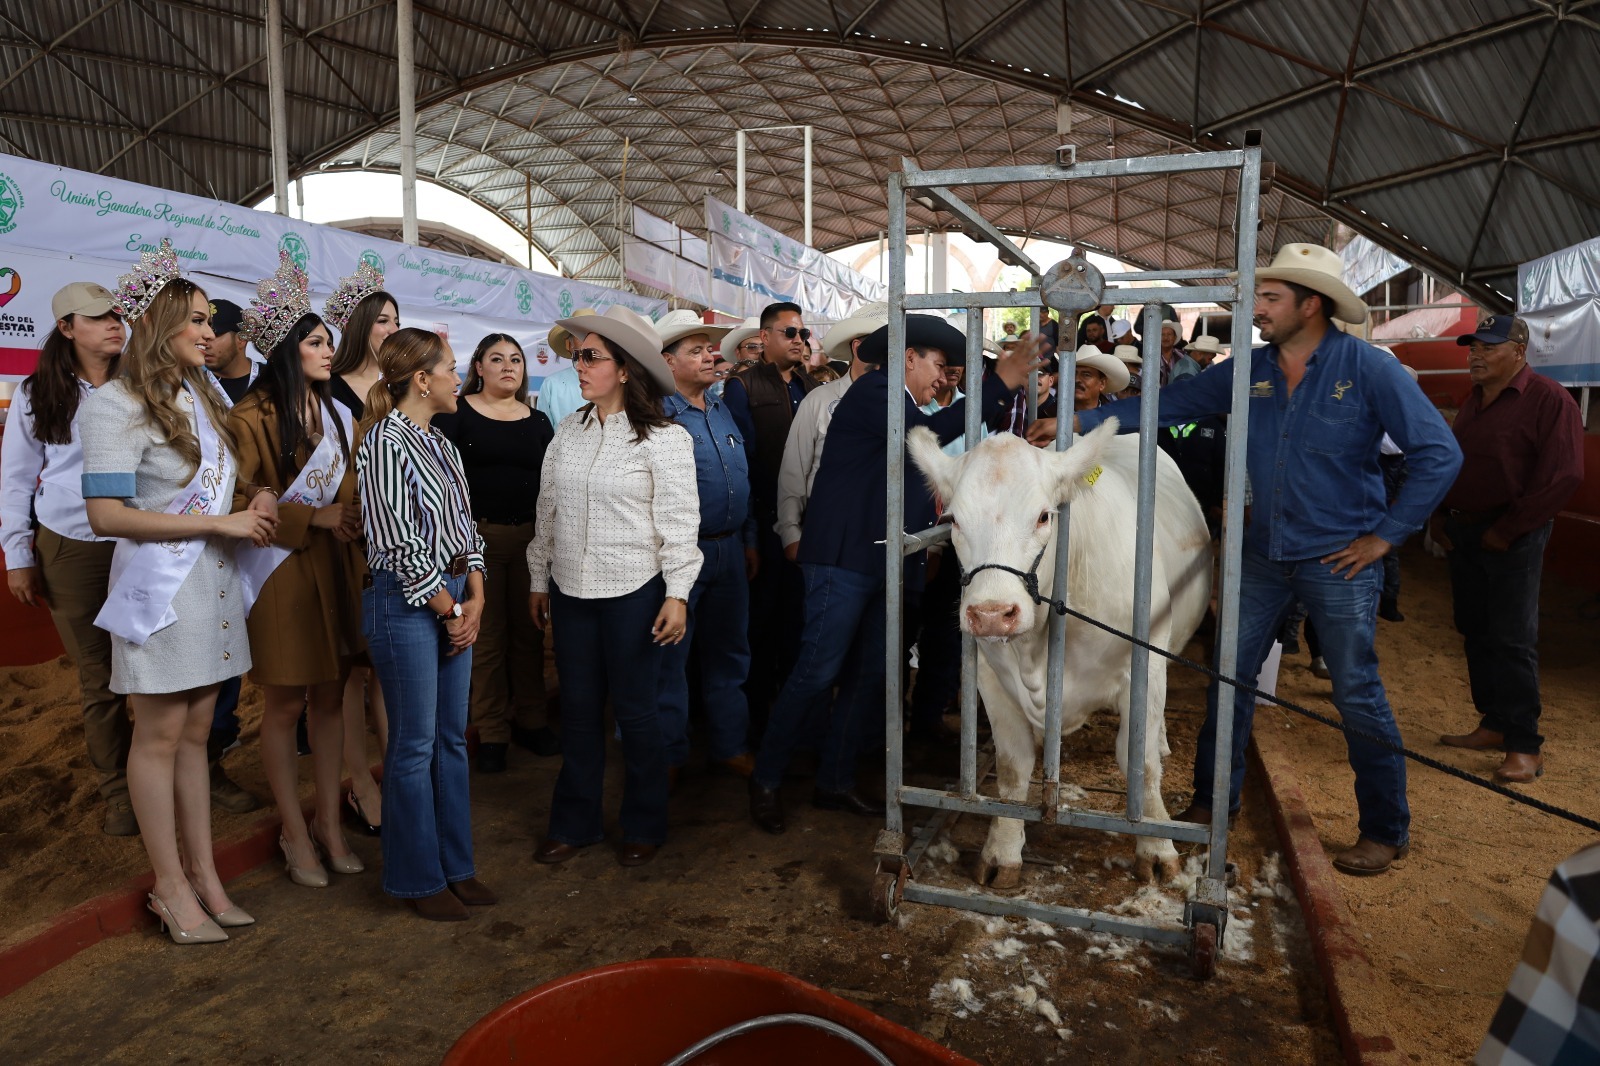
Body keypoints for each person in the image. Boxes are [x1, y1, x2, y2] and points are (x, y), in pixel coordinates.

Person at [1029, 242, 1463, 876]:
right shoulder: (1247, 370)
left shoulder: (1370, 370)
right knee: (1227, 679)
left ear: (1310, 305)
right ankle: (1211, 803)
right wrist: (1071, 423)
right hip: (1262, 553)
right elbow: (1166, 406)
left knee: (1357, 692)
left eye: (1269, 298)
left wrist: (1387, 536)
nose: (1255, 309)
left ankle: (1384, 828)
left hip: (1339, 559)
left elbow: (1439, 453)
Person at [747, 316, 1041, 834]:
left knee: (870, 676)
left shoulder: (901, 403)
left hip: (886, 559)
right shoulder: (874, 391)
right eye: (939, 365)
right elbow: (930, 436)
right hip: (843, 560)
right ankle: (766, 778)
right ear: (908, 358)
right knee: (816, 670)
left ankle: (834, 781)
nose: (943, 378)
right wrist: (1000, 383)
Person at [80, 240, 273, 942]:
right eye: (194, 318)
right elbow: (105, 515)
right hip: (161, 593)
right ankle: (169, 885)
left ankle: (207, 877)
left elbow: (220, 485)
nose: (207, 329)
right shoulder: (114, 404)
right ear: (161, 323)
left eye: (209, 319)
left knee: (197, 736)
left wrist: (251, 503)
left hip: (214, 585)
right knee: (160, 738)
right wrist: (221, 519)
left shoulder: (201, 393)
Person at [528, 306, 701, 868]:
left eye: (589, 356)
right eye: (576, 355)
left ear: (623, 369)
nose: (578, 365)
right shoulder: (568, 431)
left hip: (634, 593)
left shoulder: (664, 438)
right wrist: (538, 579)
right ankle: (574, 824)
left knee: (637, 713)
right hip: (571, 592)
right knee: (577, 712)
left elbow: (679, 522)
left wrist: (677, 593)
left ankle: (644, 823)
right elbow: (547, 513)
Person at [230, 252, 367, 887]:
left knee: (333, 697)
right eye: (315, 343)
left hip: (337, 568)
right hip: (280, 571)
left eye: (329, 342)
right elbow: (233, 498)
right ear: (288, 348)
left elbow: (354, 482)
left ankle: (330, 823)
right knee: (285, 704)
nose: (327, 352)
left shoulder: (339, 413)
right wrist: (308, 520)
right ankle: (292, 828)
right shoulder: (248, 417)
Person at [356, 326, 495, 921]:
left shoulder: (442, 443)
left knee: (449, 742)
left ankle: (456, 868)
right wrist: (453, 608)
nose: (458, 377)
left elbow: (466, 529)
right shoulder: (384, 443)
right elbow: (401, 541)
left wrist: (477, 596)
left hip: (453, 597)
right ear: (421, 379)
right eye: (450, 368)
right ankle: (416, 879)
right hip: (408, 603)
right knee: (412, 747)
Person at [2, 282, 133, 835]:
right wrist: (16, 554)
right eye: (98, 317)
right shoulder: (39, 393)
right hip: (70, 543)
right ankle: (118, 793)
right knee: (100, 676)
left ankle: (180, 771)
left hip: (144, 538)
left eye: (118, 316)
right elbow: (13, 477)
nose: (114, 324)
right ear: (65, 328)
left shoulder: (144, 382)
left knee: (160, 662)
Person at [1436, 315, 1583, 784]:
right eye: (1472, 347)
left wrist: (1509, 529)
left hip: (1513, 535)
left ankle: (1525, 744)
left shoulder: (1549, 400)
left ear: (1519, 351)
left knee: (1512, 637)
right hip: (1466, 533)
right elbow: (1458, 463)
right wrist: (1440, 517)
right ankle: (1494, 722)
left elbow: (1565, 476)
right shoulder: (1474, 399)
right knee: (1474, 628)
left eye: (1487, 347)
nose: (1474, 355)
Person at [434, 333, 559, 774]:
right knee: (484, 638)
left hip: (529, 539)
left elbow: (551, 489)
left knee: (529, 633)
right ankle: (491, 731)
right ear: (478, 368)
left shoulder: (540, 421)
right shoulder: (456, 416)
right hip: (474, 540)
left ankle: (532, 718)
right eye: (497, 359)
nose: (508, 366)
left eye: (516, 359)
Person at [656, 309, 758, 778]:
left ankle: (729, 744)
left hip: (729, 550)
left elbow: (743, 478)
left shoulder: (720, 408)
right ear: (667, 362)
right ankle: (669, 756)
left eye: (708, 349)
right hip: (678, 555)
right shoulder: (656, 417)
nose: (708, 357)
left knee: (730, 653)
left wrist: (749, 539)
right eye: (695, 351)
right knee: (668, 660)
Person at [324, 261, 398, 836]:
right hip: (348, 533)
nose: (390, 329)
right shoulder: (331, 386)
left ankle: (400, 771)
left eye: (396, 319)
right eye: (380, 321)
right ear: (358, 327)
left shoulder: (404, 386)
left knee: (389, 663)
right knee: (352, 668)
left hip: (395, 535)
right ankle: (361, 781)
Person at [723, 302, 821, 714]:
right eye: (790, 333)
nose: (800, 340)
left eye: (803, 334)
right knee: (761, 620)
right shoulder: (742, 387)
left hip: (807, 523)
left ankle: (793, 712)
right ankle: (758, 714)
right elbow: (739, 463)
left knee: (799, 619)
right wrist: (751, 532)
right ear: (765, 338)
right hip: (764, 521)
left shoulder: (810, 389)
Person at [193, 295, 262, 815]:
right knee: (209, 653)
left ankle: (218, 747)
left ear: (241, 336)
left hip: (259, 534)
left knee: (235, 650)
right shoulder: (191, 386)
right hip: (204, 534)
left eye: (213, 330)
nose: (206, 340)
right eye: (197, 326)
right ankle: (207, 761)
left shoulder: (268, 387)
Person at [775, 302, 887, 557]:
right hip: (828, 537)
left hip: (883, 540)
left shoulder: (902, 403)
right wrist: (791, 535)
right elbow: (793, 473)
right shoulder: (818, 401)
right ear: (859, 347)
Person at [535, 307, 596, 425]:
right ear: (569, 345)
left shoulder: (614, 381)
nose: (588, 340)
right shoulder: (552, 384)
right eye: (580, 334)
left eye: (593, 334)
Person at [201, 298, 258, 403]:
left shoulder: (272, 380)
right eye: (202, 336)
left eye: (215, 335)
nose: (204, 344)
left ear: (242, 339)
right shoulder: (194, 386)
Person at [1069, 344, 1130, 411]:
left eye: (1086, 375)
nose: (1077, 379)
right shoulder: (1056, 413)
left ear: (1102, 384)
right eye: (1074, 374)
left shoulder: (1115, 417)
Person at [1156, 320, 1200, 386]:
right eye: (1162, 334)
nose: (1165, 338)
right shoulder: (1151, 357)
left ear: (1175, 337)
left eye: (1169, 334)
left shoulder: (1182, 356)